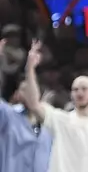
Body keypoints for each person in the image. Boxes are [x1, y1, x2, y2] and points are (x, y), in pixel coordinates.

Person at [22, 40, 88, 172]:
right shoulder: (60, 120)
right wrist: (30, 68)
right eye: (75, 89)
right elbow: (34, 104)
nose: (79, 92)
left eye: (84, 89)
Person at [0, 39, 52, 172]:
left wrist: (31, 68)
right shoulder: (8, 115)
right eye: (24, 89)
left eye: (32, 88)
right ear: (17, 94)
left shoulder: (50, 122)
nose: (29, 92)